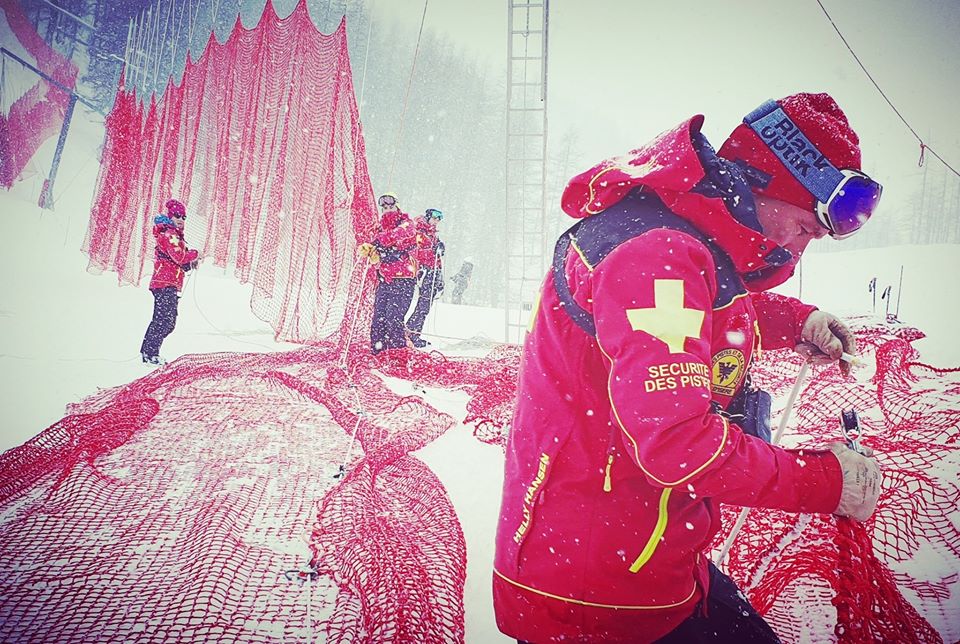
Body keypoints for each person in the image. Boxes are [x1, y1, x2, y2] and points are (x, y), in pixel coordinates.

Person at [493, 93, 884, 643]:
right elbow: (680, 443)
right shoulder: (655, 257)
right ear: (768, 183)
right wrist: (827, 481)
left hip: (648, 556)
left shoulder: (680, 241)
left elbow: (695, 311)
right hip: (597, 592)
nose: (812, 240)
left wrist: (797, 320)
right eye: (808, 222)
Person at [140, 199, 198, 365]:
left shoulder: (174, 235)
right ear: (170, 216)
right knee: (164, 321)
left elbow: (178, 261)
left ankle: (149, 351)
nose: (180, 219)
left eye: (184, 217)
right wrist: (194, 254)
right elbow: (179, 256)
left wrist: (190, 263)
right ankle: (149, 354)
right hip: (163, 283)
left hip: (170, 283)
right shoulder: (169, 234)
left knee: (168, 322)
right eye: (177, 216)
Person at [360, 193, 418, 354]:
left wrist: (382, 241)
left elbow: (403, 233)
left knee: (394, 318)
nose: (387, 210)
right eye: (384, 208)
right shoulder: (379, 227)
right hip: (384, 280)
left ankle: (397, 354)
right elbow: (369, 238)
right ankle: (378, 352)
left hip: (403, 280)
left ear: (398, 207)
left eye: (391, 207)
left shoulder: (406, 224)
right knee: (379, 319)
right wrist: (370, 248)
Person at [405, 208, 446, 348]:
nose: (437, 221)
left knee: (425, 306)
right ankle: (410, 333)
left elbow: (434, 254)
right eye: (435, 218)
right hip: (423, 271)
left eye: (439, 219)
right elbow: (415, 251)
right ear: (428, 217)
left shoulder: (432, 233)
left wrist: (439, 249)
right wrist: (431, 252)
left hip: (432, 271)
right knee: (422, 305)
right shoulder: (419, 231)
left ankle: (414, 333)